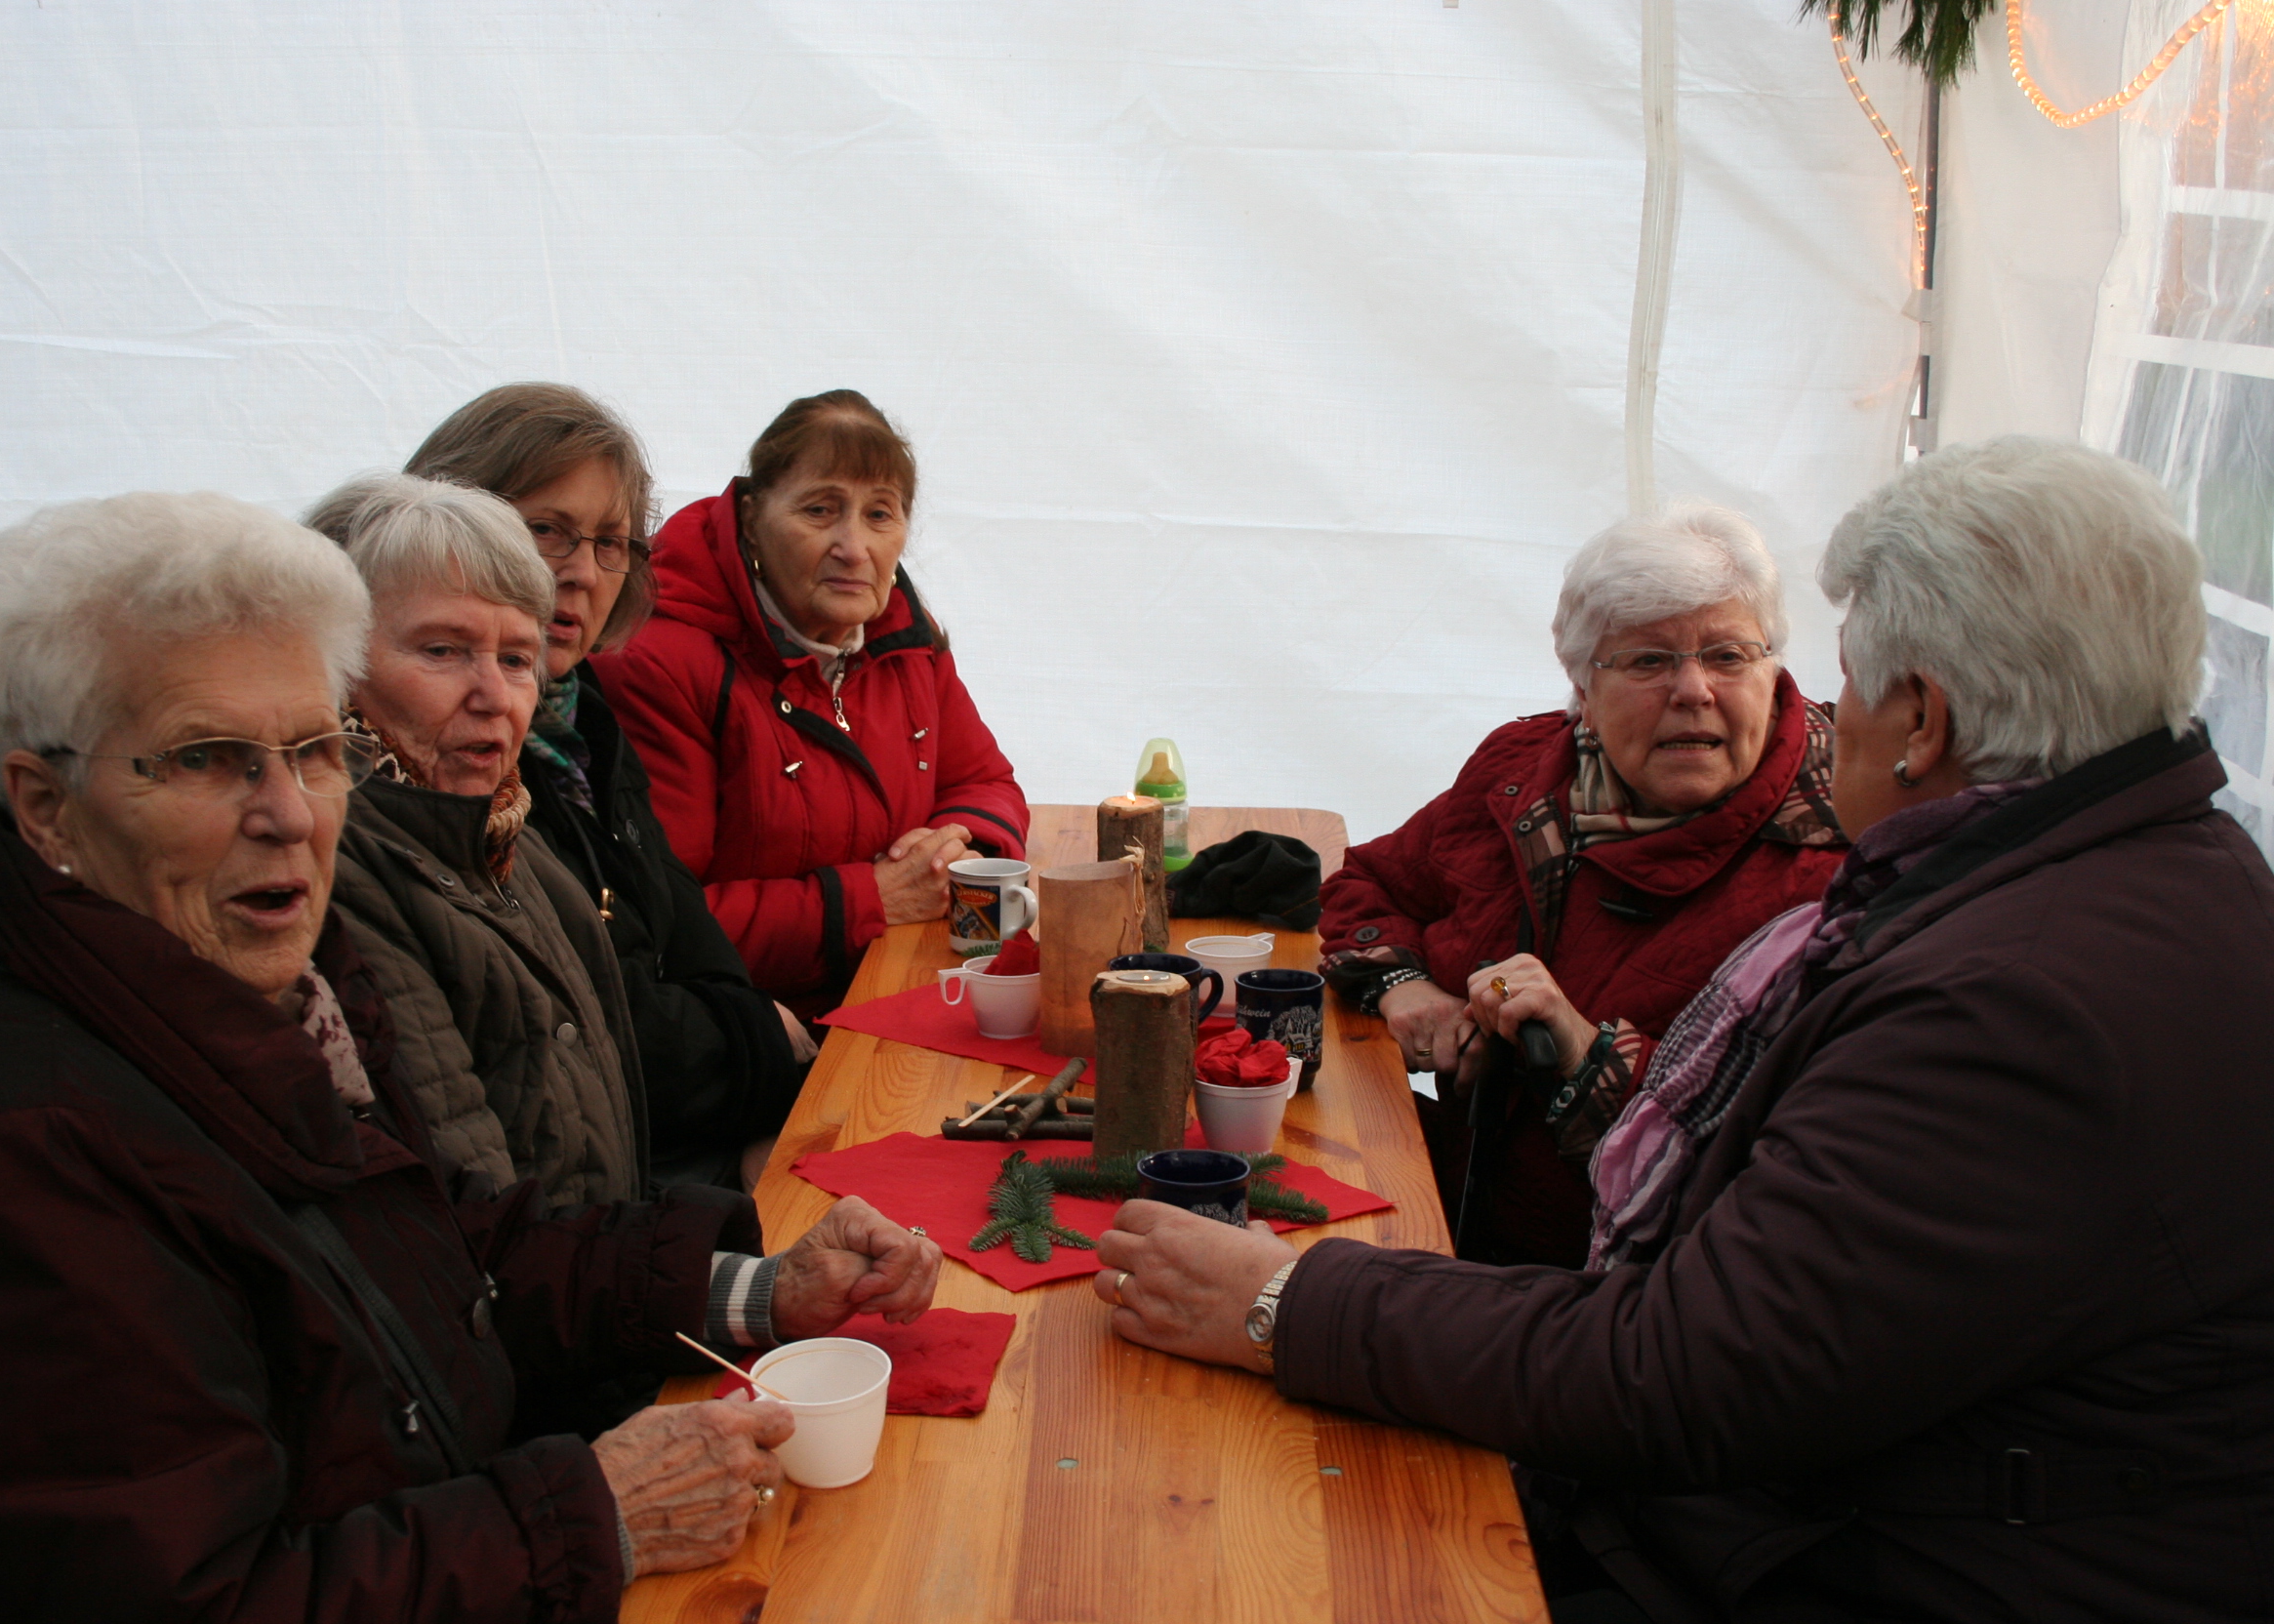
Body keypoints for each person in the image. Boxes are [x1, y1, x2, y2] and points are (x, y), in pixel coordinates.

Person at [1090, 438, 2274, 1623]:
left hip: (1845, 1558)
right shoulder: (2164, 875)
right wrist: (1406, 992)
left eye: (1833, 678)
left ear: (1923, 718)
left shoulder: (1999, 997)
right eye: (1649, 660)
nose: (1712, 694)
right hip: (1799, 1487)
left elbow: (1685, 1374)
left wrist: (1288, 1302)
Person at [0, 493, 941, 1620]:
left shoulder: (272, 985)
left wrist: (760, 1288)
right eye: (208, 757)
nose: (290, 814)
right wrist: (590, 1511)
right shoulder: (4, 1137)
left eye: (314, 749)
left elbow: (450, 1256)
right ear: (44, 804)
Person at [1319, 505, 1846, 1266]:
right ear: (1582, 685)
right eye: (1648, 661)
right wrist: (1405, 988)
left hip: (1620, 1301)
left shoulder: (1836, 866)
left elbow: (1776, 1167)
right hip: (1445, 1224)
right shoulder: (1520, 771)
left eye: (1728, 656)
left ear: (1773, 668)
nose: (1693, 689)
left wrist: (1581, 1052)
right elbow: (1371, 883)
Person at [338, 384, 808, 1192]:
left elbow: (685, 939)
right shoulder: (436, 780)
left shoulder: (583, 716)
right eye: (547, 530)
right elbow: (594, 1035)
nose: (582, 571)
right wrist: (764, 1047)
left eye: (611, 542)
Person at [593, 389, 1029, 1013]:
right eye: (821, 510)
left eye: (880, 514)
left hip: (897, 990)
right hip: (760, 1029)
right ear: (751, 518)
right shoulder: (659, 661)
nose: (854, 547)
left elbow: (984, 782)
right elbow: (665, 922)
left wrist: (959, 859)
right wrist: (871, 900)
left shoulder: (905, 636)